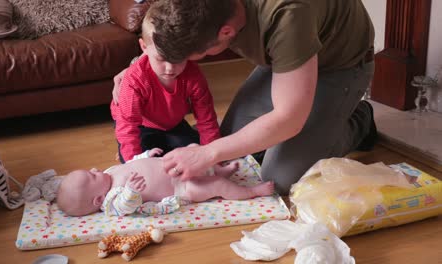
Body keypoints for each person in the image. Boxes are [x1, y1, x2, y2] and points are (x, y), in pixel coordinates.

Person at [112, 0, 377, 195]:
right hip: (284, 59)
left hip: (340, 65)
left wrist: (208, 153)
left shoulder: (287, 15)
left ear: (226, 33)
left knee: (281, 179)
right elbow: (162, 30)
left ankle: (358, 120)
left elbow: (289, 118)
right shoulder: (206, 13)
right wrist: (139, 69)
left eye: (189, 58)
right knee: (231, 150)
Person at [111, 5, 220, 163]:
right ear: (144, 47)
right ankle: (122, 149)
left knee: (192, 151)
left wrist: (212, 156)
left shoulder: (194, 75)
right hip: (140, 125)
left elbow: (207, 118)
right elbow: (127, 127)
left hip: (172, 123)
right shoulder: (134, 81)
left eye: (178, 60)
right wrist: (132, 161)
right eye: (161, 59)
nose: (170, 68)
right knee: (145, 159)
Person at [56, 147, 274, 217]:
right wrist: (131, 191)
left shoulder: (110, 172)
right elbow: (126, 207)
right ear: (98, 199)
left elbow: (132, 163)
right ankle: (251, 192)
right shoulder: (112, 200)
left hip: (174, 167)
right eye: (92, 176)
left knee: (192, 149)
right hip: (180, 187)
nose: (95, 170)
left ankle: (221, 170)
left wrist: (146, 155)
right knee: (214, 185)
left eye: (90, 170)